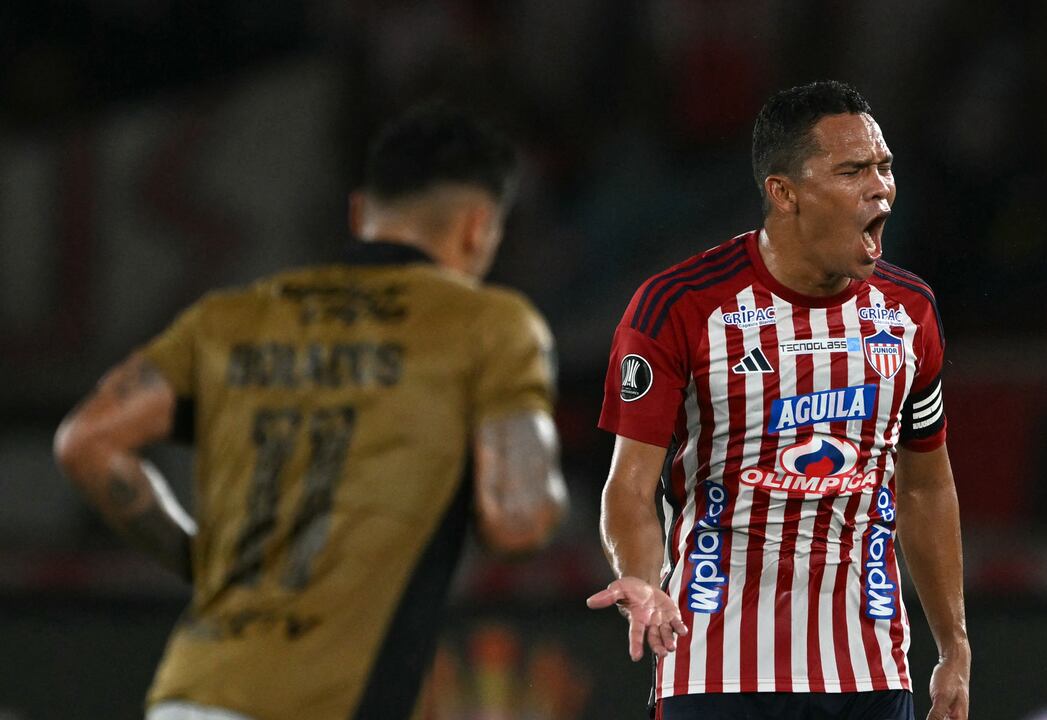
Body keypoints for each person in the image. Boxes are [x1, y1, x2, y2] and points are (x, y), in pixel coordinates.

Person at [53, 103, 568, 720]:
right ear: (478, 228)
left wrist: (197, 561)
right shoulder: (488, 325)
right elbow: (519, 520)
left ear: (358, 213)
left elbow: (86, 441)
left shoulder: (230, 319)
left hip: (192, 693)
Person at [587, 80, 970, 720]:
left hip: (869, 671)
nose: (880, 189)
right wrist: (643, 581)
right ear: (783, 193)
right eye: (852, 171)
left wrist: (953, 646)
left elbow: (926, 487)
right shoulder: (679, 307)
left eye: (884, 167)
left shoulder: (910, 313)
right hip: (715, 667)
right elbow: (628, 488)